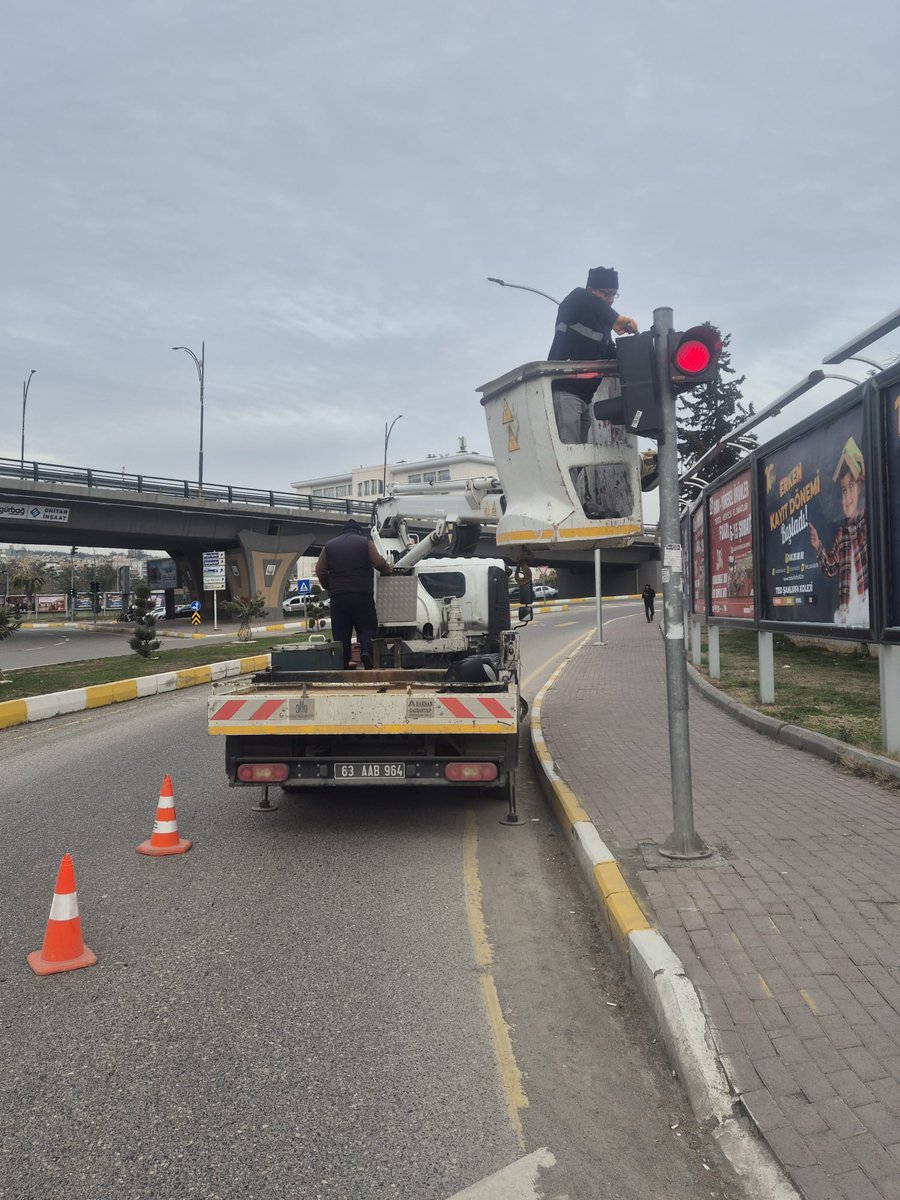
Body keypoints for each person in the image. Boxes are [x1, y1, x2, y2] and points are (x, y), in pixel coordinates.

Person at [547, 265, 639, 444]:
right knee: (569, 453)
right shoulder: (573, 307)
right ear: (591, 291)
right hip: (564, 393)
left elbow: (612, 354)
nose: (611, 300)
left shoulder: (603, 329)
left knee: (579, 457)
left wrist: (638, 351)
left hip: (584, 398)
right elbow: (578, 295)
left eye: (614, 295)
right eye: (606, 293)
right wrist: (615, 318)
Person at [315, 519, 393, 668]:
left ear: (343, 531)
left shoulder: (329, 546)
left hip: (338, 598)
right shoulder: (365, 542)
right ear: (358, 531)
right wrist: (387, 569)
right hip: (361, 594)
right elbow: (377, 562)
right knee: (367, 626)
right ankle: (366, 652)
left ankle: (343, 664)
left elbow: (320, 570)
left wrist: (329, 586)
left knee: (341, 633)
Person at [809, 436, 869, 627]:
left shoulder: (869, 523)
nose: (848, 497)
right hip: (848, 612)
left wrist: (867, 473)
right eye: (843, 490)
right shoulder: (841, 534)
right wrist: (818, 546)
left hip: (870, 608)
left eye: (851, 486)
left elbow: (880, 501)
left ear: (860, 487)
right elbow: (830, 568)